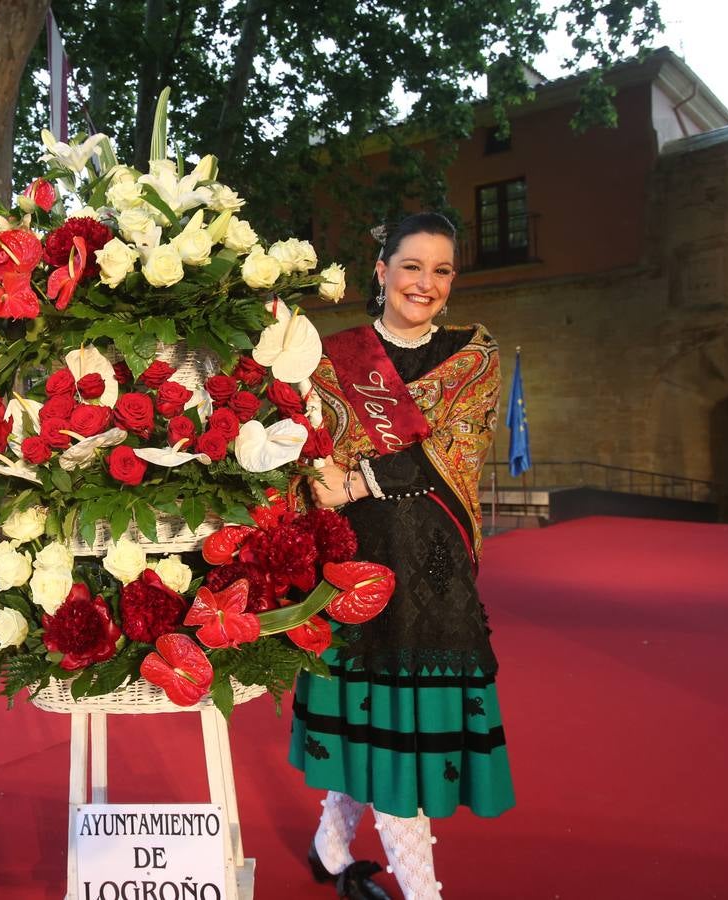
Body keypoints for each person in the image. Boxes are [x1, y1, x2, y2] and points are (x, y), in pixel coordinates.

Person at [291, 213, 513, 900]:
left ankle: (331, 850)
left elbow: (455, 448)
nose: (426, 283)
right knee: (377, 723)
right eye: (412, 266)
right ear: (381, 270)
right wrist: (312, 474)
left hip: (435, 565)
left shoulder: (472, 355)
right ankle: (383, 874)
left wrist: (356, 477)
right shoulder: (329, 360)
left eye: (442, 270)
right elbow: (302, 444)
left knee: (397, 731)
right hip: (357, 557)